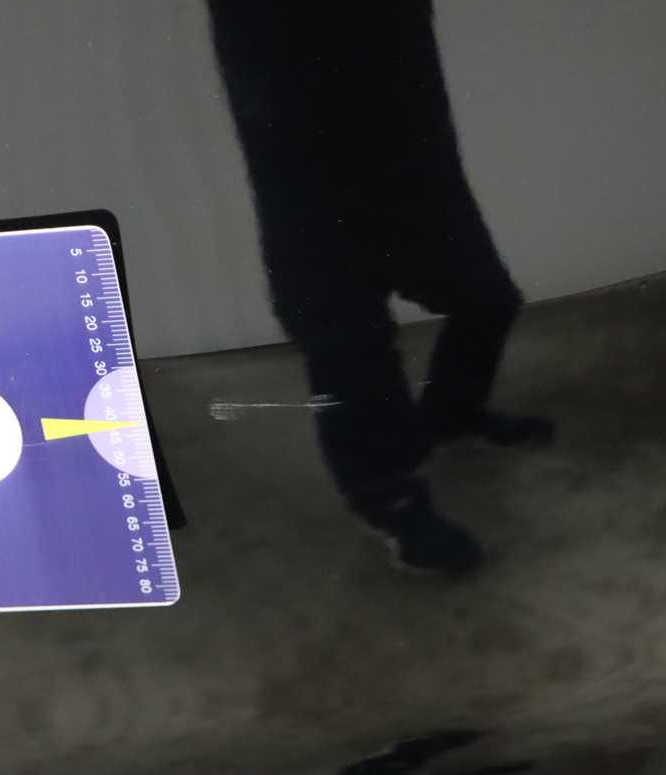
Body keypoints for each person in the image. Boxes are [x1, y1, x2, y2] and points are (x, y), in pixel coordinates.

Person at [210, 1, 553, 574]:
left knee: (486, 296)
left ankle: (452, 414)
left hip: (410, 149)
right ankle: (387, 500)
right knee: (348, 345)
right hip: (304, 167)